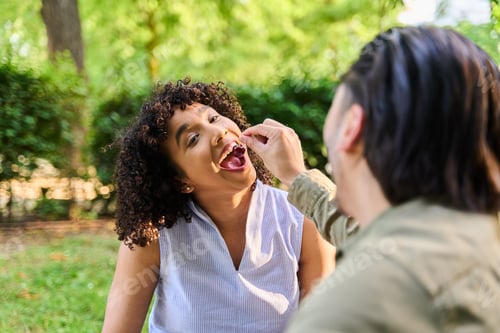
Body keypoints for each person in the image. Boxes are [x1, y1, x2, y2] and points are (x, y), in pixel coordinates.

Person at [241, 25, 500, 332]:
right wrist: (295, 176)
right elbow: (369, 233)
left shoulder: (348, 310)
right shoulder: (467, 237)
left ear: (351, 125)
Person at [101, 78, 335, 333]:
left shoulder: (301, 217)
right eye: (193, 139)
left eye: (213, 118)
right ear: (182, 181)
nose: (218, 132)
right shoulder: (153, 235)